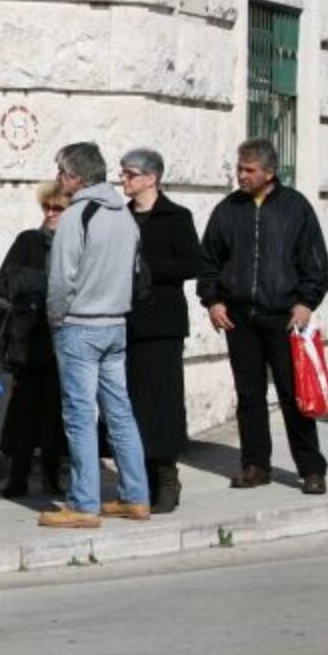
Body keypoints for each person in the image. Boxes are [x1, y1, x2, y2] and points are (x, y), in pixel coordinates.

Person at [197, 138, 328, 495]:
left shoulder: (295, 208)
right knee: (249, 396)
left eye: (249, 170)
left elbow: (316, 263)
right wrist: (213, 301)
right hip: (239, 319)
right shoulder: (228, 209)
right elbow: (208, 261)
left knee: (293, 395)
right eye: (239, 168)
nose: (241, 175)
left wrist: (306, 303)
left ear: (269, 173)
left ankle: (311, 469)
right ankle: (255, 466)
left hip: (284, 318)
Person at [38, 142, 151, 528]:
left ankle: (84, 503)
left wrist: (56, 319)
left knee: (80, 416)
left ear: (75, 176)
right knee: (120, 411)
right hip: (115, 322)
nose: (58, 179)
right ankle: (136, 495)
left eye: (61, 172)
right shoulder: (124, 215)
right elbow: (135, 271)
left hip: (81, 324)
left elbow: (61, 279)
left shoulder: (76, 216)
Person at [120, 148, 201, 512]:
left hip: (163, 324)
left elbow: (192, 262)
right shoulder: (119, 218)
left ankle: (167, 475)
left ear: (151, 178)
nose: (124, 180)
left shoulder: (177, 216)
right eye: (123, 173)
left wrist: (146, 267)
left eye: (130, 174)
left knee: (163, 403)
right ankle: (141, 479)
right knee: (132, 402)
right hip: (125, 322)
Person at [0, 182, 69, 499]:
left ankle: (52, 474)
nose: (50, 214)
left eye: (57, 208)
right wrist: (47, 286)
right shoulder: (28, 240)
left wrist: (38, 286)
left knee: (56, 409)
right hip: (29, 338)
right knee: (23, 410)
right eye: (46, 207)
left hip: (62, 340)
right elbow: (8, 282)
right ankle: (17, 477)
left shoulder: (75, 244)